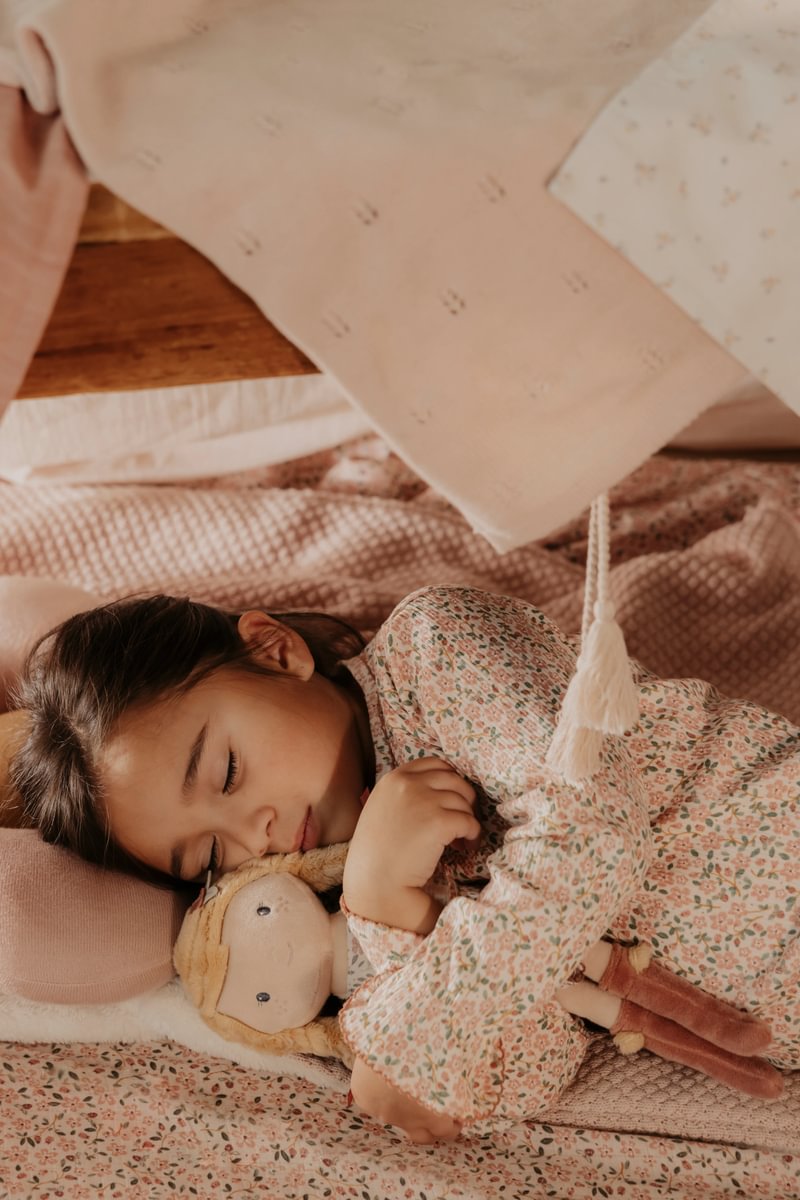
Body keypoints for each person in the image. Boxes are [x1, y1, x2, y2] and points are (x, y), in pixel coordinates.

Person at [10, 585, 800, 1139]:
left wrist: (413, 1035)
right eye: (210, 854)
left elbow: (595, 828)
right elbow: (533, 1068)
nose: (258, 834)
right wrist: (388, 905)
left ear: (276, 651)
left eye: (226, 772)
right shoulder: (343, 898)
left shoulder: (436, 646)